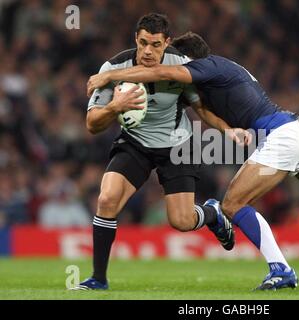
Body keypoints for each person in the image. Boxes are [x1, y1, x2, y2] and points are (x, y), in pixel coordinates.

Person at [87, 32, 299, 291]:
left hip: (281, 136)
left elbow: (169, 74)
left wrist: (108, 77)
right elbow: (203, 108)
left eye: (178, 58)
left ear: (191, 60)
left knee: (233, 204)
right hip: (298, 130)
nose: (171, 64)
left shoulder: (206, 67)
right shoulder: (226, 69)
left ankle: (281, 269)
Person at [75, 17, 250, 290]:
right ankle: (98, 279)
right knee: (107, 199)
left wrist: (227, 130)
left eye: (155, 45)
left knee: (181, 221)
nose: (147, 51)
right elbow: (92, 124)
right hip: (135, 143)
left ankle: (212, 214)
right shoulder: (113, 67)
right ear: (136, 39)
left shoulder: (180, 64)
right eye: (143, 43)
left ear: (166, 43)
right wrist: (114, 106)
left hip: (178, 145)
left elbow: (201, 108)